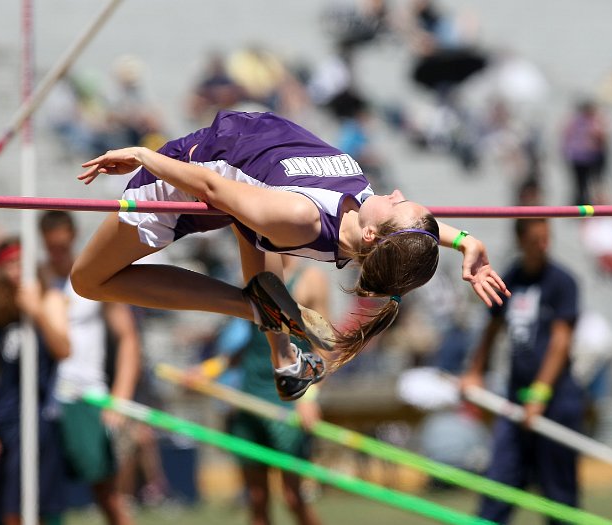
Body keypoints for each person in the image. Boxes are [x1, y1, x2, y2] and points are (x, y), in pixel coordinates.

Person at [71, 109, 509, 401]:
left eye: (397, 202)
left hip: (188, 177)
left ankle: (250, 307)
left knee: (87, 281)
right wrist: (466, 241)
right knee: (255, 227)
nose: (396, 193)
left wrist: (141, 153)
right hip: (252, 192)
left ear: (374, 234)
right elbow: (411, 231)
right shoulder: (367, 213)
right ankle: (283, 354)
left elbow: (209, 188)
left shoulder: (300, 217)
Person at [461, 218, 583, 525]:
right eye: (535, 239)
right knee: (499, 485)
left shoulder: (562, 282)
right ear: (520, 241)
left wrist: (540, 394)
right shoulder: (511, 278)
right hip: (516, 399)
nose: (543, 245)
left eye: (546, 238)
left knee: (559, 497)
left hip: (556, 400)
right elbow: (492, 328)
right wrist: (475, 371)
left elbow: (560, 342)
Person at [194, 255, 326, 525]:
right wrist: (209, 369)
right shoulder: (252, 274)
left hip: (289, 397)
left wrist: (310, 397)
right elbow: (255, 343)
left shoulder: (311, 280)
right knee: (256, 499)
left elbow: (324, 348)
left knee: (293, 497)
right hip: (250, 394)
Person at [38, 210, 140, 525]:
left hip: (86, 396)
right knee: (39, 495)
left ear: (73, 237)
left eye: (63, 247)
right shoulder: (36, 281)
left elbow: (128, 339)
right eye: (51, 247)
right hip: (46, 399)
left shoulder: (90, 276)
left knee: (107, 496)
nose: (58, 253)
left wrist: (119, 398)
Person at [0, 237, 70, 525]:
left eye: (20, 263)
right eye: (9, 264)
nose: (15, 270)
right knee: (6, 510)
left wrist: (36, 310)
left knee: (25, 508)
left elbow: (63, 349)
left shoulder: (50, 300)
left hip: (38, 420)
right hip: (4, 420)